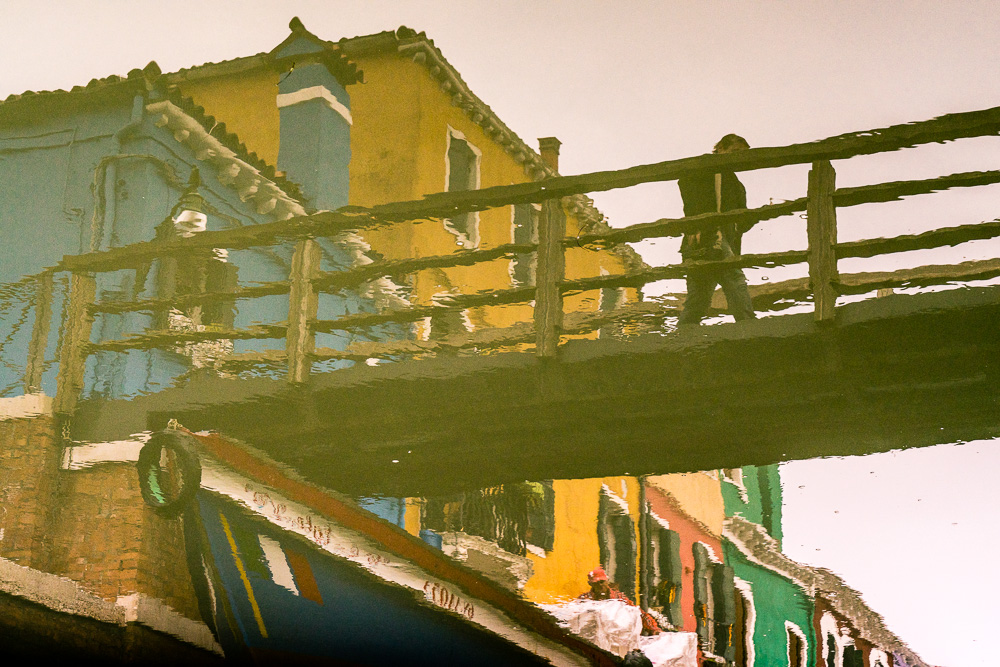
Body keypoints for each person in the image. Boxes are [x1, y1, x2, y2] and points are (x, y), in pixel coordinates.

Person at [677, 133, 757, 325]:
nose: (737, 158)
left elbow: (741, 221)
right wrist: (699, 223)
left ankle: (683, 333)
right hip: (708, 235)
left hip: (722, 240)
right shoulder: (704, 167)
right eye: (734, 151)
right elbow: (685, 183)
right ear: (720, 148)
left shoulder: (737, 184)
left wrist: (752, 218)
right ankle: (748, 325)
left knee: (699, 295)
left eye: (742, 154)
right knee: (734, 279)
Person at [578, 567, 661, 635]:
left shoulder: (619, 597)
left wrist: (653, 628)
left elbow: (639, 613)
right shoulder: (585, 599)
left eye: (602, 581)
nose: (600, 585)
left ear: (607, 581)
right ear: (590, 584)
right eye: (596, 583)